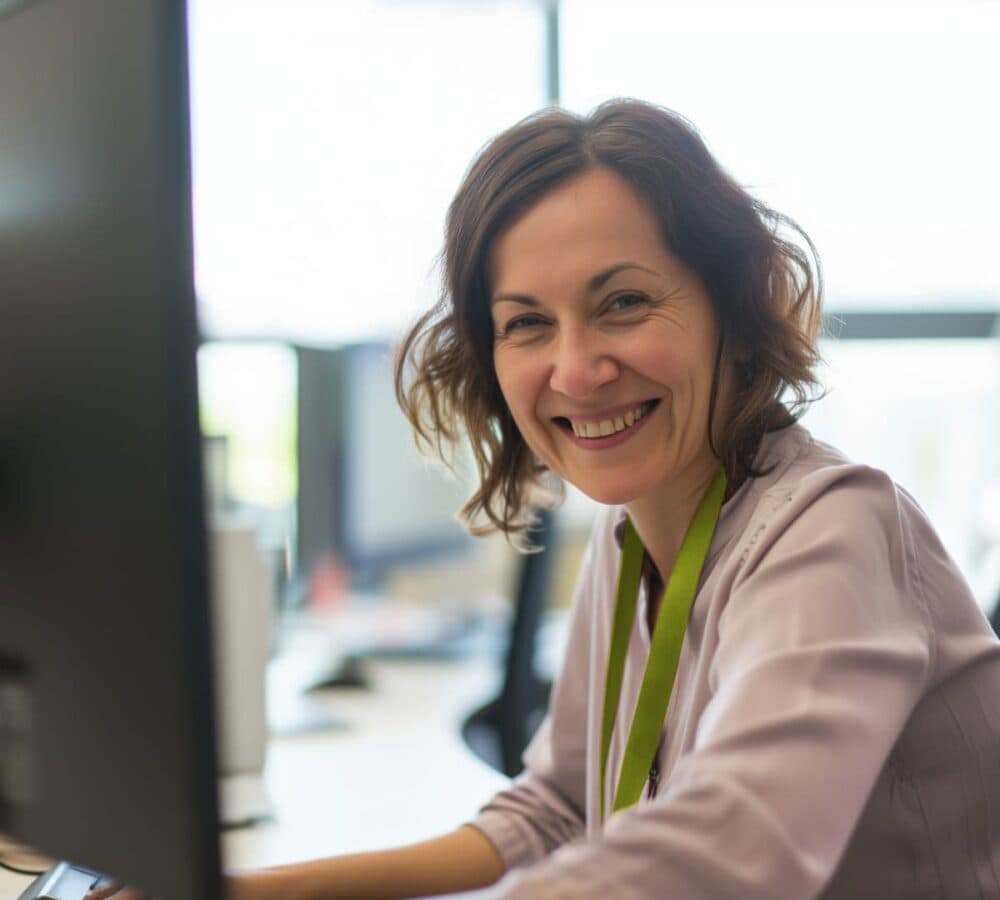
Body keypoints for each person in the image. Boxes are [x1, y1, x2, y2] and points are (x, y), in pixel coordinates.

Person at [90, 99, 1000, 900]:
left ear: (736, 304)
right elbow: (557, 809)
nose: (576, 369)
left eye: (624, 302)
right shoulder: (632, 532)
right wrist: (266, 891)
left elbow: (734, 850)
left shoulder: (833, 529)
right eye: (527, 323)